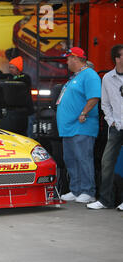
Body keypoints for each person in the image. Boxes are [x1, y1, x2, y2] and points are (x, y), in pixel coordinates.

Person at [56, 47, 101, 204]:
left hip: (82, 125)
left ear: (75, 58)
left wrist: (83, 113)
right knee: (71, 159)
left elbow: (94, 97)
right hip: (68, 127)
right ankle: (76, 190)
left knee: (83, 158)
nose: (67, 62)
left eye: (68, 59)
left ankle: (88, 191)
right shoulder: (75, 77)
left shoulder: (89, 75)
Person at [87, 44, 123, 211]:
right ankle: (105, 200)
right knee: (106, 162)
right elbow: (105, 104)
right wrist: (111, 121)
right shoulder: (108, 78)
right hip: (116, 126)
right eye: (121, 55)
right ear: (116, 58)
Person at [7, 56, 35, 137]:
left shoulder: (25, 78)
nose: (10, 69)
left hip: (28, 112)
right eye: (9, 67)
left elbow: (19, 80)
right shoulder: (10, 77)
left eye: (12, 67)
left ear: (18, 68)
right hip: (16, 113)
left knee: (28, 134)